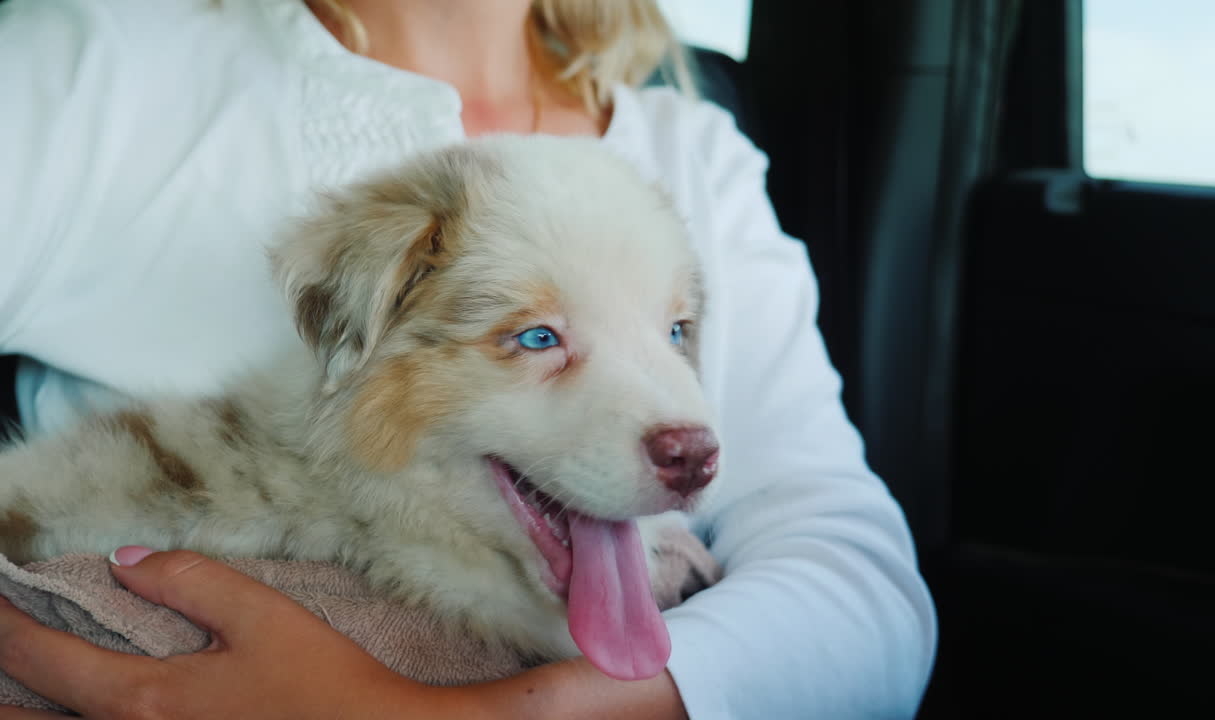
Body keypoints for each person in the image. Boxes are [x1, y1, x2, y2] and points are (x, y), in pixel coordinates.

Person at [0, 0, 938, 717]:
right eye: (540, 338)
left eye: (676, 331)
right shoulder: (86, 74)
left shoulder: (692, 154)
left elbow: (859, 591)